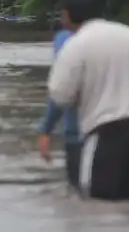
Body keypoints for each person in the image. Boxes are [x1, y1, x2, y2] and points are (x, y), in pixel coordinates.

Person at [47, 0, 129, 201]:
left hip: (106, 133)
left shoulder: (75, 45)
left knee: (96, 202)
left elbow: (60, 95)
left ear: (67, 15)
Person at [36, 28, 81, 191]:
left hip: (78, 137)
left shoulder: (64, 40)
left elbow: (61, 90)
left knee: (78, 191)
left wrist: (46, 129)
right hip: (109, 131)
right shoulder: (115, 39)